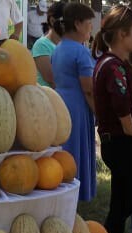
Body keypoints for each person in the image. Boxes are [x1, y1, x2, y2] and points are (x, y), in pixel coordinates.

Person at [92, 4, 132, 233]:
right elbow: (120, 105)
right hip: (119, 142)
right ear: (121, 35)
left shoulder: (119, 63)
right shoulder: (113, 66)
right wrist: (131, 128)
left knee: (125, 200)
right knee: (123, 202)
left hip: (120, 143)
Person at [51, 2, 97, 202]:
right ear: (78, 24)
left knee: (63, 149)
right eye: (89, 23)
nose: (91, 28)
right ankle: (76, 192)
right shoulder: (80, 51)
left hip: (59, 104)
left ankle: (61, 188)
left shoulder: (58, 48)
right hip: (77, 106)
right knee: (77, 150)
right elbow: (88, 88)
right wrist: (99, 113)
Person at [32, 0, 63, 86]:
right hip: (48, 97)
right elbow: (52, 79)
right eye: (66, 21)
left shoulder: (67, 44)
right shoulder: (41, 45)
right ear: (53, 21)